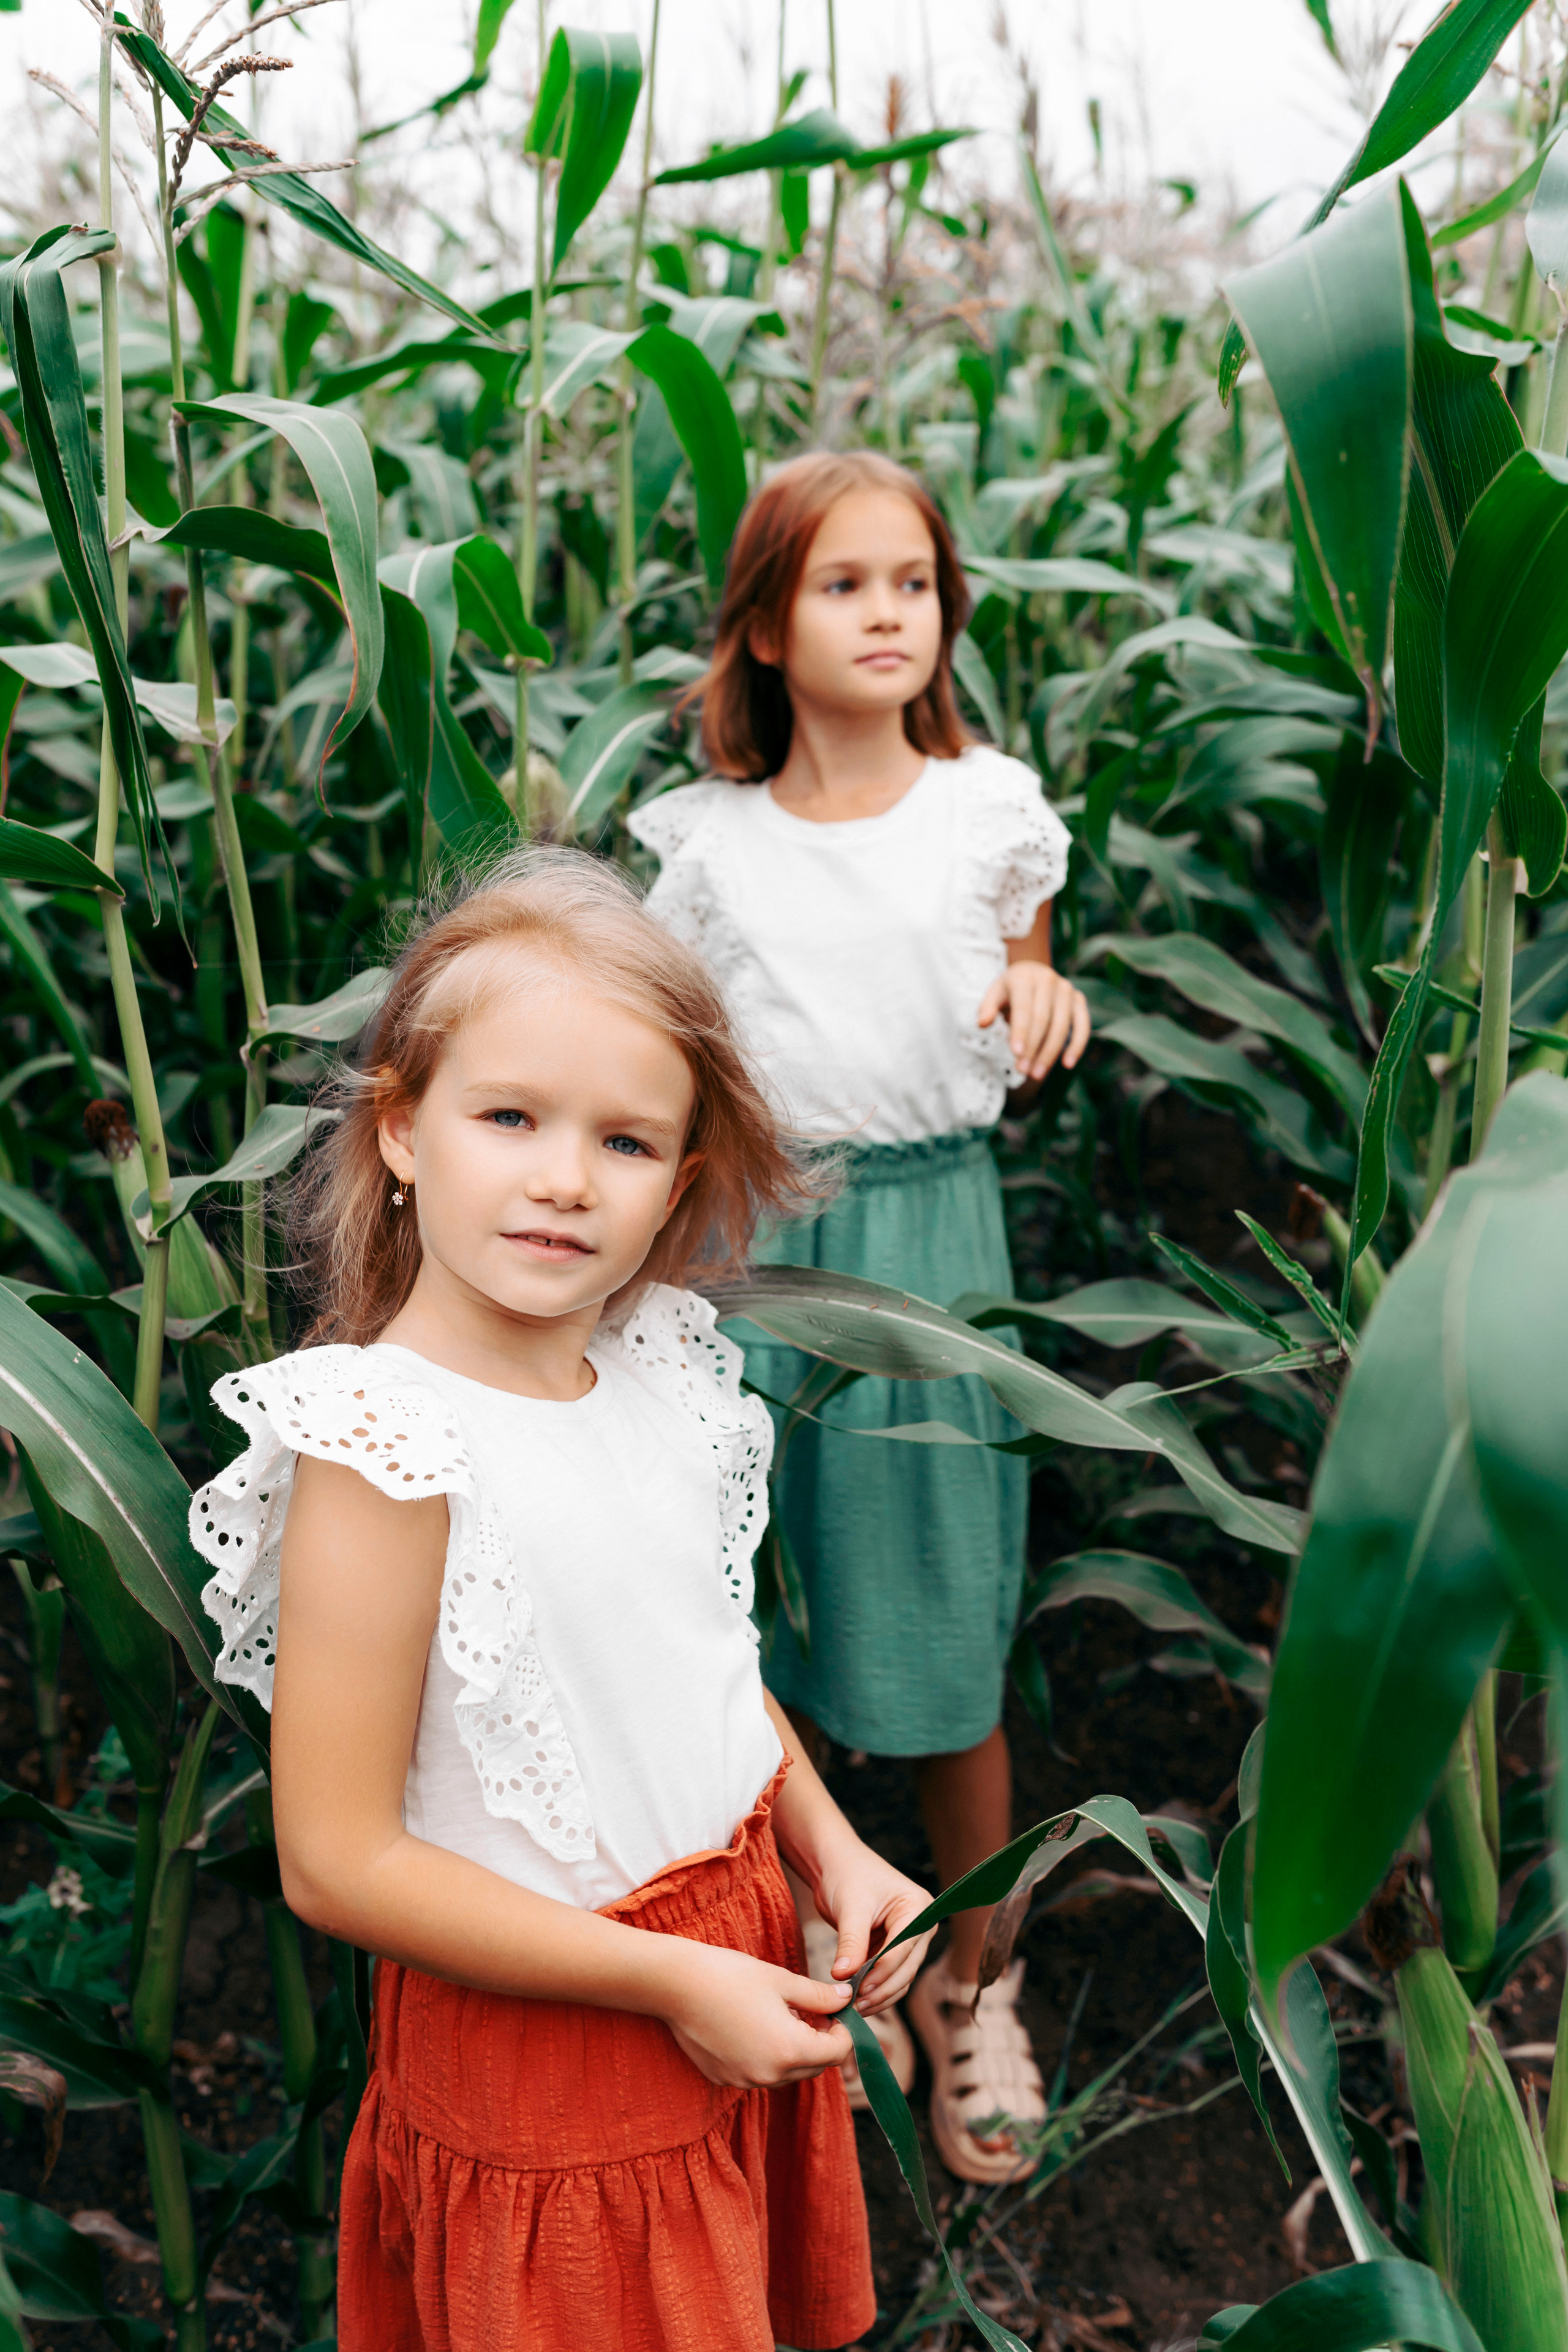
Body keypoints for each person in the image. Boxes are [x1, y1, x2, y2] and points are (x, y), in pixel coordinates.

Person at [187, 849, 936, 2352]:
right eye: (509, 1117)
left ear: (680, 1177)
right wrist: (673, 1977)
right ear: (400, 1128)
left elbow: (697, 1669)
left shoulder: (659, 1370)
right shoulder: (388, 1448)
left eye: (627, 1140)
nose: (563, 1178)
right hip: (557, 2050)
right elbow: (335, 1861)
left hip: (720, 1956)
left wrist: (832, 1849)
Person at [628, 450, 1091, 2186]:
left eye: (914, 583)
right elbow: (668, 1065)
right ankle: (834, 1975)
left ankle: (977, 1978)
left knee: (945, 1639)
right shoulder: (710, 851)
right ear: (761, 624)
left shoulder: (989, 814)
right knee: (757, 1642)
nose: (890, 612)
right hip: (754, 1256)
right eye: (844, 585)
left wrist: (1046, 983)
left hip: (934, 1252)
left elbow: (1025, 974)